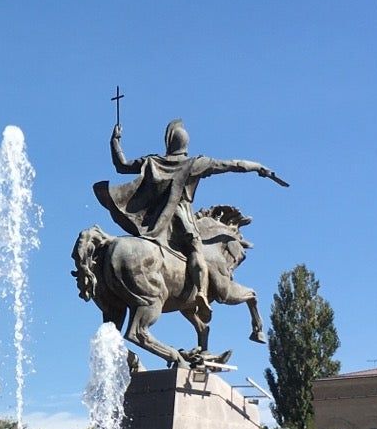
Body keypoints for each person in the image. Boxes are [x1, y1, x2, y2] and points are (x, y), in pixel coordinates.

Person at [95, 118, 286, 316]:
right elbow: (232, 165)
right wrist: (258, 167)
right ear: (185, 144)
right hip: (180, 220)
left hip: (154, 222)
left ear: (168, 142)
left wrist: (115, 141)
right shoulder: (194, 163)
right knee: (196, 249)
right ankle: (202, 293)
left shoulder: (153, 162)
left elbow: (122, 165)